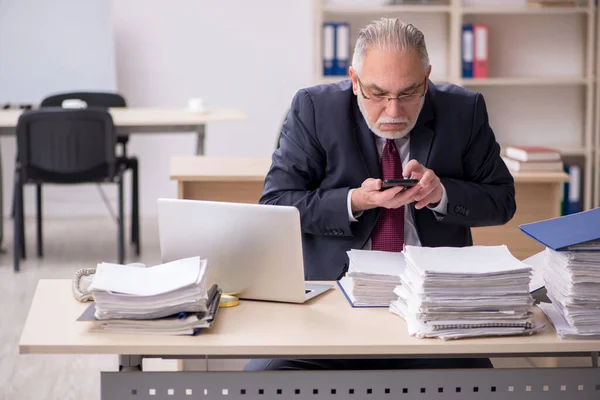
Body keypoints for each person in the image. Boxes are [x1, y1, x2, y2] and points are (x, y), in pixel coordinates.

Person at [246, 18, 515, 371]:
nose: (393, 112)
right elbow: (277, 203)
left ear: (427, 78)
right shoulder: (314, 109)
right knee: (264, 381)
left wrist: (441, 195)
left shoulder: (463, 111)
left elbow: (502, 201)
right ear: (355, 81)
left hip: (432, 304)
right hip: (334, 300)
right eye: (378, 93)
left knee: (480, 384)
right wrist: (355, 201)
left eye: (408, 93)